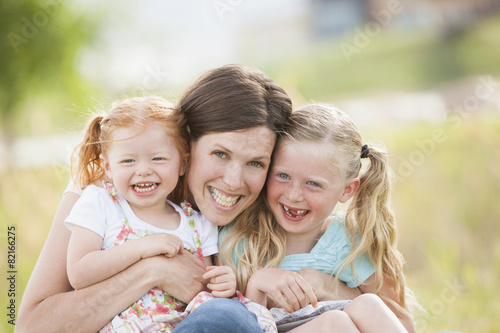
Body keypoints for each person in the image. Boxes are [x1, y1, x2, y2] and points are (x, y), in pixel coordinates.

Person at [16, 64, 293, 333]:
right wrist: (152, 271)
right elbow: (31, 328)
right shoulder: (105, 191)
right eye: (220, 154)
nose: (234, 181)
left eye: (256, 163)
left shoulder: (275, 209)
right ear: (186, 146)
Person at [218, 104, 420, 332]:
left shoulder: (353, 243)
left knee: (368, 305)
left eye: (313, 184)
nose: (293, 195)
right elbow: (229, 323)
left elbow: (404, 325)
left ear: (347, 190)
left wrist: (332, 288)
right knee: (334, 323)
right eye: (283, 176)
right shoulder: (239, 240)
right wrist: (258, 284)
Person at [65, 95, 251, 331]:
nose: (143, 170)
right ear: (108, 167)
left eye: (158, 158)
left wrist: (223, 283)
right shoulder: (101, 204)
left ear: (182, 164)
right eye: (128, 161)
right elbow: (79, 273)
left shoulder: (197, 223)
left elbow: (202, 285)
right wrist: (143, 248)